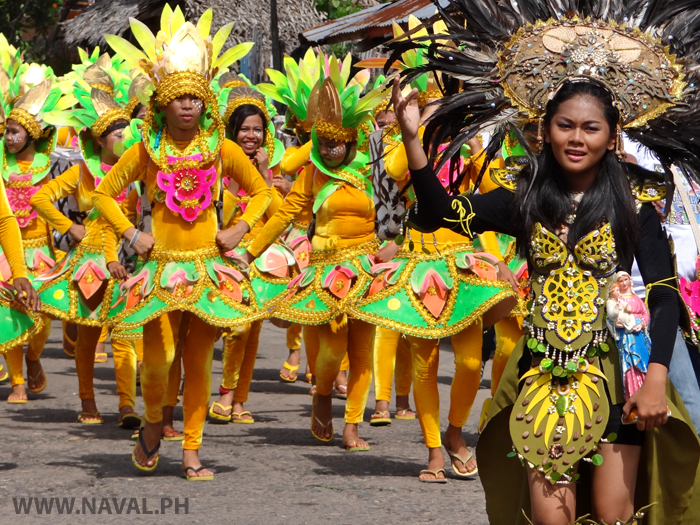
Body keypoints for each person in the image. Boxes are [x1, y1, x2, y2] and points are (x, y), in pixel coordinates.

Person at [389, 3, 700, 521]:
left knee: (612, 512)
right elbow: (442, 212)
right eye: (565, 125)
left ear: (611, 134)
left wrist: (654, 379)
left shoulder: (635, 204)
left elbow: (665, 293)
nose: (576, 138)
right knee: (551, 516)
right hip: (544, 370)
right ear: (546, 128)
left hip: (618, 366)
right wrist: (412, 139)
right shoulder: (524, 198)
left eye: (591, 128)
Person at [96, 8, 272, 479]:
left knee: (197, 363)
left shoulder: (222, 149)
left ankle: (192, 451)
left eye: (196, 97)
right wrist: (133, 234)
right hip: (159, 271)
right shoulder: (145, 151)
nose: (189, 106)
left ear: (206, 102)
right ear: (163, 104)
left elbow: (263, 193)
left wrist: (238, 230)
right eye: (180, 99)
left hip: (206, 270)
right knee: (161, 359)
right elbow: (104, 194)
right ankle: (154, 422)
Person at [242, 73, 387, 451]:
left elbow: (397, 211)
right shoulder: (313, 172)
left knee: (362, 349)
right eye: (321, 143)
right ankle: (323, 393)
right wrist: (250, 250)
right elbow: (285, 214)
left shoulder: (374, 169)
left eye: (336, 144)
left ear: (352, 140)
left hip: (367, 268)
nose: (329, 150)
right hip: (326, 268)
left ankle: (352, 425)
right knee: (332, 348)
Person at [1, 78, 62, 403]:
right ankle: (17, 382)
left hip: (42, 251)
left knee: (42, 316)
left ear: (31, 135)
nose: (9, 138)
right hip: (8, 254)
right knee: (12, 313)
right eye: (7, 132)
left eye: (15, 132)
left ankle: (35, 355)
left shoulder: (48, 164)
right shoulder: (0, 165)